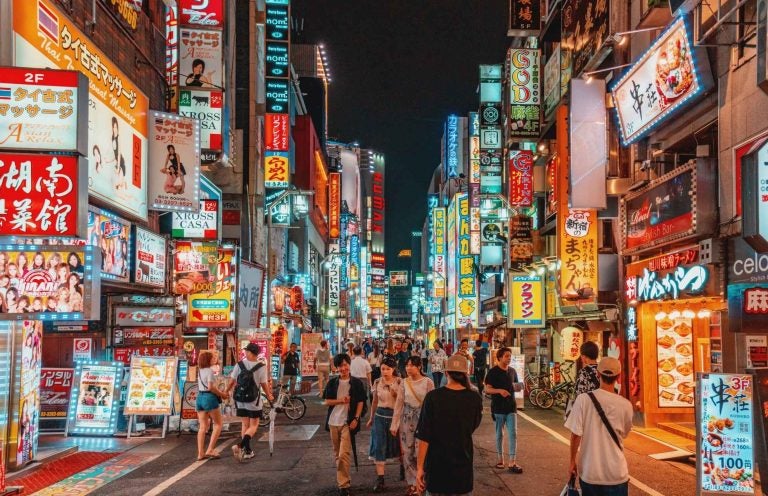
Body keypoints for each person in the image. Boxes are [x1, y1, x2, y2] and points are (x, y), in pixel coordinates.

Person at [415, 354, 483, 495]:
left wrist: (420, 468)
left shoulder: (433, 397)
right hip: (463, 465)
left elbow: (424, 436)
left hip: (436, 466)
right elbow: (473, 426)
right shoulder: (474, 398)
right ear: (466, 373)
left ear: (446, 372)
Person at [565, 357, 633, 496]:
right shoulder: (626, 405)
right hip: (617, 474)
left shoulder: (583, 400)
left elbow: (576, 435)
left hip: (591, 473)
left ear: (598, 374)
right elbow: (625, 433)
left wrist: (572, 461)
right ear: (618, 377)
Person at [324, 353, 366, 496]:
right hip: (333, 422)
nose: (344, 368)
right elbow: (327, 401)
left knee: (343, 454)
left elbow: (361, 401)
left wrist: (356, 418)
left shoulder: (356, 383)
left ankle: (344, 485)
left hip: (347, 422)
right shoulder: (332, 383)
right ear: (336, 368)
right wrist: (341, 401)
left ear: (349, 365)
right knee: (338, 454)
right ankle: (343, 481)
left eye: (346, 364)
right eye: (340, 365)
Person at [392, 356, 434, 496]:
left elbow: (433, 404)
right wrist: (394, 423)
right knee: (407, 451)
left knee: (421, 452)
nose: (408, 368)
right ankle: (412, 484)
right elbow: (399, 403)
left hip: (423, 420)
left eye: (412, 365)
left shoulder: (428, 382)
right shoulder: (404, 382)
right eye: (407, 365)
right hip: (406, 420)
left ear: (419, 367)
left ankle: (421, 482)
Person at [228, 343, 273, 462]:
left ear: (251, 352)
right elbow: (263, 383)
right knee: (253, 426)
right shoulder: (261, 366)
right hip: (253, 399)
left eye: (246, 351)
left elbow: (232, 381)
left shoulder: (239, 364)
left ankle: (247, 451)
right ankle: (240, 446)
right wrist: (269, 395)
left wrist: (226, 392)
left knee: (245, 425)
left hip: (240, 399)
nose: (245, 353)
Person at [484, 347, 524, 473]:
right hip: (498, 407)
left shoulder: (512, 371)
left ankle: (512, 461)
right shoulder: (493, 372)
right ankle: (500, 459)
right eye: (506, 356)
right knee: (499, 434)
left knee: (513, 434)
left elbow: (516, 386)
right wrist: (500, 391)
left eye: (510, 356)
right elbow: (487, 389)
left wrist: (519, 387)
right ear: (500, 357)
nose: (509, 358)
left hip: (511, 406)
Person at [367, 357, 402, 492]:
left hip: (395, 416)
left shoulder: (400, 382)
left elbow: (402, 401)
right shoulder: (377, 382)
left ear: (393, 369)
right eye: (383, 369)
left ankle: (403, 467)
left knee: (399, 445)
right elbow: (374, 402)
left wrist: (395, 392)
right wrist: (371, 418)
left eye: (388, 369)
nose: (385, 371)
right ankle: (380, 479)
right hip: (380, 417)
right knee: (379, 447)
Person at [195, 350, 229, 461]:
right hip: (209, 398)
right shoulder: (209, 371)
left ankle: (200, 453)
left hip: (199, 398)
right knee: (218, 424)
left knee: (202, 427)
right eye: (212, 358)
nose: (213, 360)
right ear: (207, 360)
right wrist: (222, 394)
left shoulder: (199, 371)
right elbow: (210, 387)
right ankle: (210, 449)